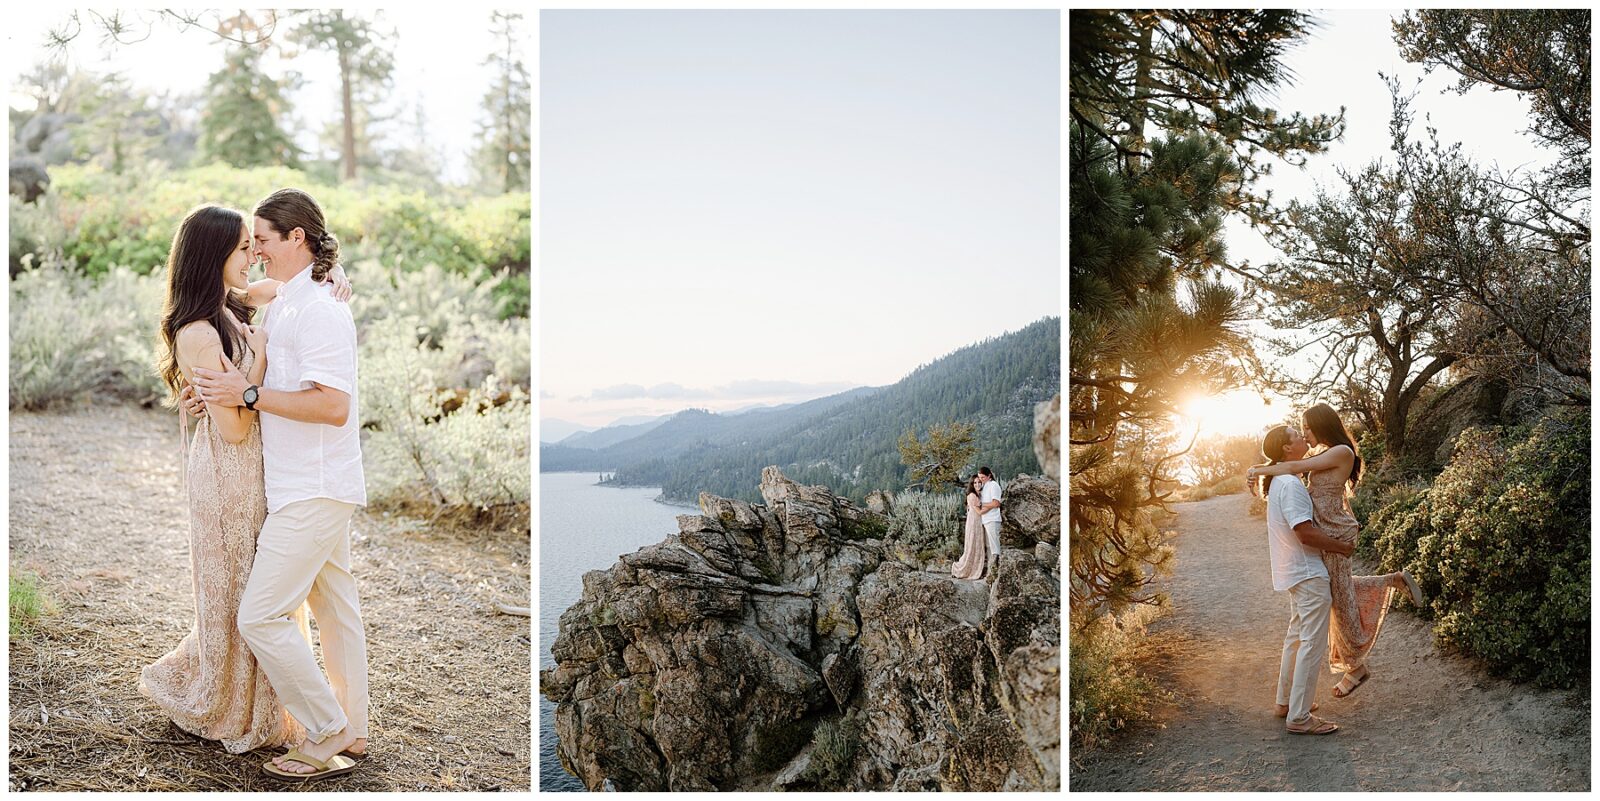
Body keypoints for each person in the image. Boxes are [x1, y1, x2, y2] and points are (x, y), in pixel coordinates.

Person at [140, 204, 350, 754]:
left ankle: (282, 710)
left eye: (254, 244)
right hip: (228, 475)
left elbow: (288, 289)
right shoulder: (199, 331)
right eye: (241, 248)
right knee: (240, 594)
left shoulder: (230, 304)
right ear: (215, 257)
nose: (252, 255)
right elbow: (234, 428)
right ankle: (233, 705)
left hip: (256, 472)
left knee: (260, 595)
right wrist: (255, 364)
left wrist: (330, 272)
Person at [189, 188, 369, 782]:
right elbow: (233, 292)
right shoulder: (291, 296)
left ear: (296, 238)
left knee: (261, 616)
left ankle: (325, 731)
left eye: (262, 240)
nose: (256, 252)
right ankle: (354, 727)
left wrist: (246, 394)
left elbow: (334, 405)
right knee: (334, 610)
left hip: (314, 486)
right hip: (304, 483)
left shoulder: (318, 308)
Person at [1248, 404, 1424, 701]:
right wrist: (1262, 470)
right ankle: (1393, 580)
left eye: (1307, 428)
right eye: (1301, 430)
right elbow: (1292, 467)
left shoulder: (1342, 451)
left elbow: (1293, 466)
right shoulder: (1326, 452)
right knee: (1338, 591)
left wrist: (1257, 469)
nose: (1305, 433)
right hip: (1328, 528)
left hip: (1335, 529)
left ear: (1321, 425)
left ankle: (1356, 667)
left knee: (1339, 599)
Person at [1256, 424, 1350, 735]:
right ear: (1286, 448)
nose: (1302, 436)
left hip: (1295, 573)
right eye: (1296, 434)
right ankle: (1298, 717)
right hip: (1308, 573)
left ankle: (1285, 703)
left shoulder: (1280, 482)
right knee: (1310, 644)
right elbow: (1305, 533)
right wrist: (1342, 547)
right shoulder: (1291, 485)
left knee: (1296, 639)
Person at [950, 475, 989, 580]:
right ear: (971, 485)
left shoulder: (978, 494)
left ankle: (974, 568)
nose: (977, 484)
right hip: (974, 523)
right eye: (974, 483)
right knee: (972, 547)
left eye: (979, 482)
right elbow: (979, 512)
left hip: (976, 522)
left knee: (976, 546)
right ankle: (964, 569)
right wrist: (992, 505)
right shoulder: (972, 495)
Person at [976, 467, 1003, 570]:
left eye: (982, 477)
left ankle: (997, 568)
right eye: (979, 477)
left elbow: (996, 503)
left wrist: (981, 504)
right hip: (985, 519)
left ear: (989, 476)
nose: (981, 479)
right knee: (988, 545)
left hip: (992, 519)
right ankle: (992, 569)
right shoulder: (985, 486)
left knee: (994, 545)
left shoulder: (994, 486)